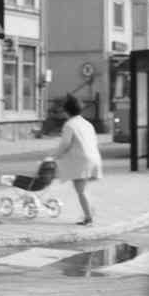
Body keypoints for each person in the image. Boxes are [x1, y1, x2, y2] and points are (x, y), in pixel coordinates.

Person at [49, 94, 103, 225]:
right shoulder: (87, 123)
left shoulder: (69, 125)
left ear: (66, 111)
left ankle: (88, 218)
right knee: (84, 188)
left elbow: (65, 144)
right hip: (94, 158)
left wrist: (53, 157)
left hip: (81, 161)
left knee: (81, 190)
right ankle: (90, 212)